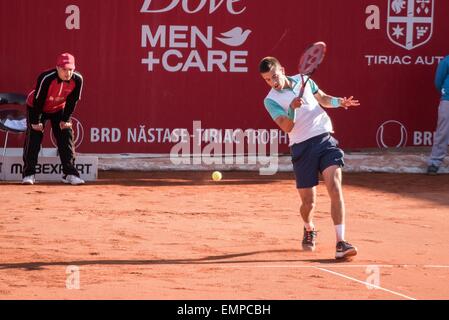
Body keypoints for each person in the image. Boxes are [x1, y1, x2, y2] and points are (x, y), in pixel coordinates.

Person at [259, 57, 360, 259]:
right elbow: (287, 126)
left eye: (275, 76)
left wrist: (339, 102)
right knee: (309, 203)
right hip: (301, 147)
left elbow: (322, 98)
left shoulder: (304, 80)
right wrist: (292, 109)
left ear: (283, 70)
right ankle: (308, 227)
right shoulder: (270, 100)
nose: (273, 82)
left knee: (335, 187)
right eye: (268, 80)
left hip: (324, 139)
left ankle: (341, 242)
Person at [22, 53, 85, 185]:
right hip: (37, 108)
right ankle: (29, 174)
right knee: (34, 137)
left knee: (66, 135)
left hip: (59, 108)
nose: (67, 73)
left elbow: (72, 101)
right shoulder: (46, 78)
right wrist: (36, 121)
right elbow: (38, 100)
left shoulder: (78, 79)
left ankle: (69, 174)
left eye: (70, 69)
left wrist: (66, 119)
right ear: (57, 68)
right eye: (64, 69)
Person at [427, 55, 449, 175]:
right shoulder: (447, 60)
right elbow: (438, 81)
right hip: (448, 100)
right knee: (443, 132)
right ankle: (434, 163)